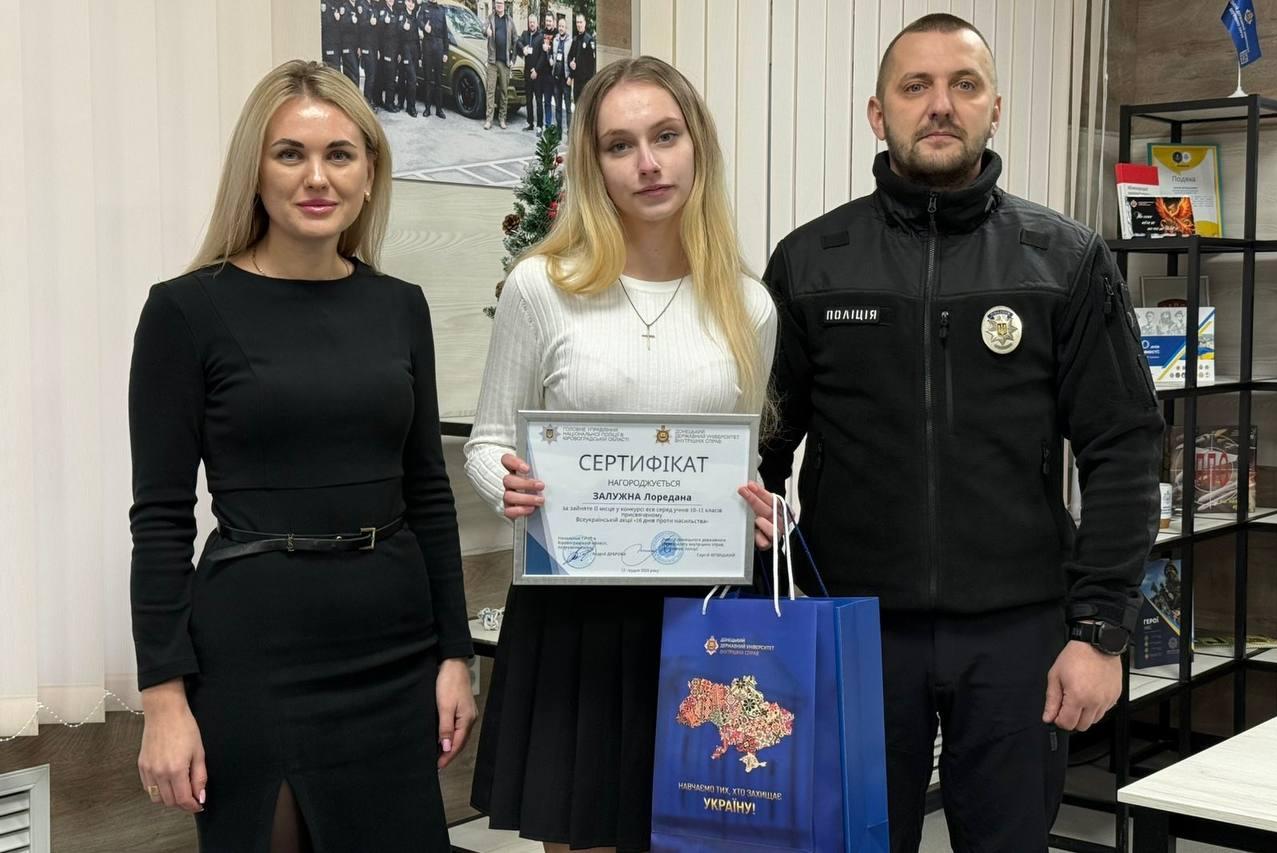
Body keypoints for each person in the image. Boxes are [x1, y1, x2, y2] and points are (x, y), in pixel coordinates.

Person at [746, 13, 1163, 852]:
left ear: (994, 108)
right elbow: (759, 447)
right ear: (878, 113)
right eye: (916, 86)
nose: (940, 104)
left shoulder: (1064, 259)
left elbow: (1123, 446)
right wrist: (766, 605)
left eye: (963, 85)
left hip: (1018, 636)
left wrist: (1100, 632)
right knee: (849, 845)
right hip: (853, 631)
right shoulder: (810, 262)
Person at [129, 60, 475, 852]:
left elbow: (429, 492)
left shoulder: (400, 306)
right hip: (256, 651)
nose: (317, 177)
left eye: (339, 154)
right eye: (290, 154)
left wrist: (455, 654)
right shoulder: (185, 310)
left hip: (394, 642)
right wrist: (163, 698)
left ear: (369, 172)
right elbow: (160, 519)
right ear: (255, 171)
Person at [464, 55, 777, 853]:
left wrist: (770, 511)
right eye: (619, 144)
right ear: (593, 163)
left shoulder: (749, 304)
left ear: (697, 146)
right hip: (577, 611)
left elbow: (743, 464)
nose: (647, 163)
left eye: (665, 136)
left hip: (704, 615)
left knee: (701, 835)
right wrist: (509, 487)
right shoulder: (543, 285)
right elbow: (489, 441)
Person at [483, 0, 516, 130]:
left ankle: (502, 119)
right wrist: (486, 31)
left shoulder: (509, 20)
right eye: (497, 3)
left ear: (504, 5)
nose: (499, 5)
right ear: (495, 5)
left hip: (505, 62)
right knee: (490, 90)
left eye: (501, 3)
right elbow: (483, 29)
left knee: (504, 91)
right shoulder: (490, 18)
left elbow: (515, 40)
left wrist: (513, 58)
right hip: (492, 61)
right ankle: (489, 120)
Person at [421, 0, 450, 119]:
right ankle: (427, 108)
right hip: (427, 45)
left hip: (439, 46)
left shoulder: (441, 10)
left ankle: (439, 109)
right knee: (428, 79)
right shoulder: (424, 7)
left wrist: (446, 52)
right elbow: (418, 20)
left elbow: (445, 33)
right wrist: (424, 27)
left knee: (438, 80)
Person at [517, 13, 544, 131]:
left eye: (533, 22)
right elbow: (518, 42)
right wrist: (523, 48)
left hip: (537, 74)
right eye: (530, 22)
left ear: (537, 23)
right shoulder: (525, 34)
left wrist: (536, 70)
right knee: (528, 99)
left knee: (538, 100)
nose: (532, 24)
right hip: (527, 73)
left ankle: (539, 125)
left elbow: (543, 56)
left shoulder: (541, 37)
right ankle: (530, 123)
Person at [395, 0, 421, 117]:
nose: (411, 4)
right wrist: (403, 27)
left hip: (414, 50)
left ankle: (401, 103)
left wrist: (419, 56)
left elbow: (417, 38)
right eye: (409, 1)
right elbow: (397, 30)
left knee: (404, 77)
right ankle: (411, 107)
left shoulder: (414, 17)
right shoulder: (402, 15)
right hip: (405, 49)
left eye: (413, 3)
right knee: (411, 79)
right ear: (405, 3)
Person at [568, 13, 597, 108]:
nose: (579, 24)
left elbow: (592, 64)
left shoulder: (589, 40)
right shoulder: (575, 39)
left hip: (586, 81)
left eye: (580, 22)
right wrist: (570, 63)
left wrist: (590, 83)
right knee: (577, 105)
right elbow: (570, 56)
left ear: (585, 23)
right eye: (577, 22)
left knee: (585, 107)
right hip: (576, 81)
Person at [375, 0, 399, 111]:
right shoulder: (383, 11)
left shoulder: (395, 11)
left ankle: (381, 101)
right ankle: (389, 103)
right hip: (387, 49)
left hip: (394, 49)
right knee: (389, 77)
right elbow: (378, 30)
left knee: (389, 76)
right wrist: (384, 22)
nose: (391, 0)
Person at [550, 15, 572, 130]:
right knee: (558, 107)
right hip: (556, 79)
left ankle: (569, 132)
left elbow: (573, 59)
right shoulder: (555, 40)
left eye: (563, 26)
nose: (561, 28)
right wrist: (550, 59)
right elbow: (551, 55)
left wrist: (571, 76)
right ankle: (558, 131)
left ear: (566, 28)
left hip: (566, 79)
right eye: (559, 26)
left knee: (567, 107)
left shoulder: (570, 41)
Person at [359, 1, 380, 108]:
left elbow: (377, 29)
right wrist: (369, 22)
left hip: (374, 46)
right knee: (370, 75)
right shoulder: (362, 5)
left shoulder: (374, 6)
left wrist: (378, 49)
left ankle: (370, 99)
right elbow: (359, 25)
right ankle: (367, 102)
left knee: (373, 75)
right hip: (366, 45)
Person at [338, 2, 362, 85]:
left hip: (356, 45)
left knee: (355, 72)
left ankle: (355, 90)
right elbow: (341, 24)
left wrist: (359, 46)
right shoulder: (344, 6)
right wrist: (350, 20)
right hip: (347, 44)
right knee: (353, 71)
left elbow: (360, 28)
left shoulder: (358, 6)